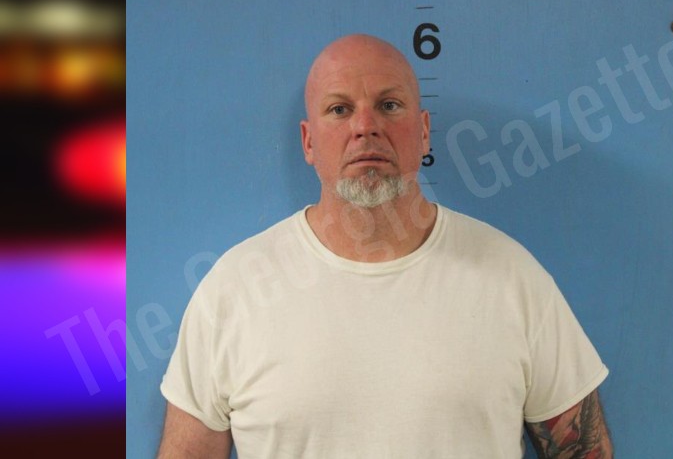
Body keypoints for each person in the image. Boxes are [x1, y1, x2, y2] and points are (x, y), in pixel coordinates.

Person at [157, 34, 613, 458]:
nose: (365, 126)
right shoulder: (236, 289)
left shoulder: (512, 278)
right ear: (308, 141)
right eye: (339, 109)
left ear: (424, 131)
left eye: (389, 105)